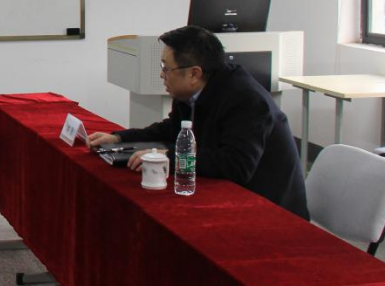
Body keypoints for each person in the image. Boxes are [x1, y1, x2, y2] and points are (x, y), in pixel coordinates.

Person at [87, 25, 309, 219]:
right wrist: (120, 138)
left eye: (166, 68)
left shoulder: (246, 100)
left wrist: (168, 156)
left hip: (271, 210)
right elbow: (171, 129)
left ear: (194, 74)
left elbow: (235, 166)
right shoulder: (191, 92)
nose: (162, 75)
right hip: (229, 195)